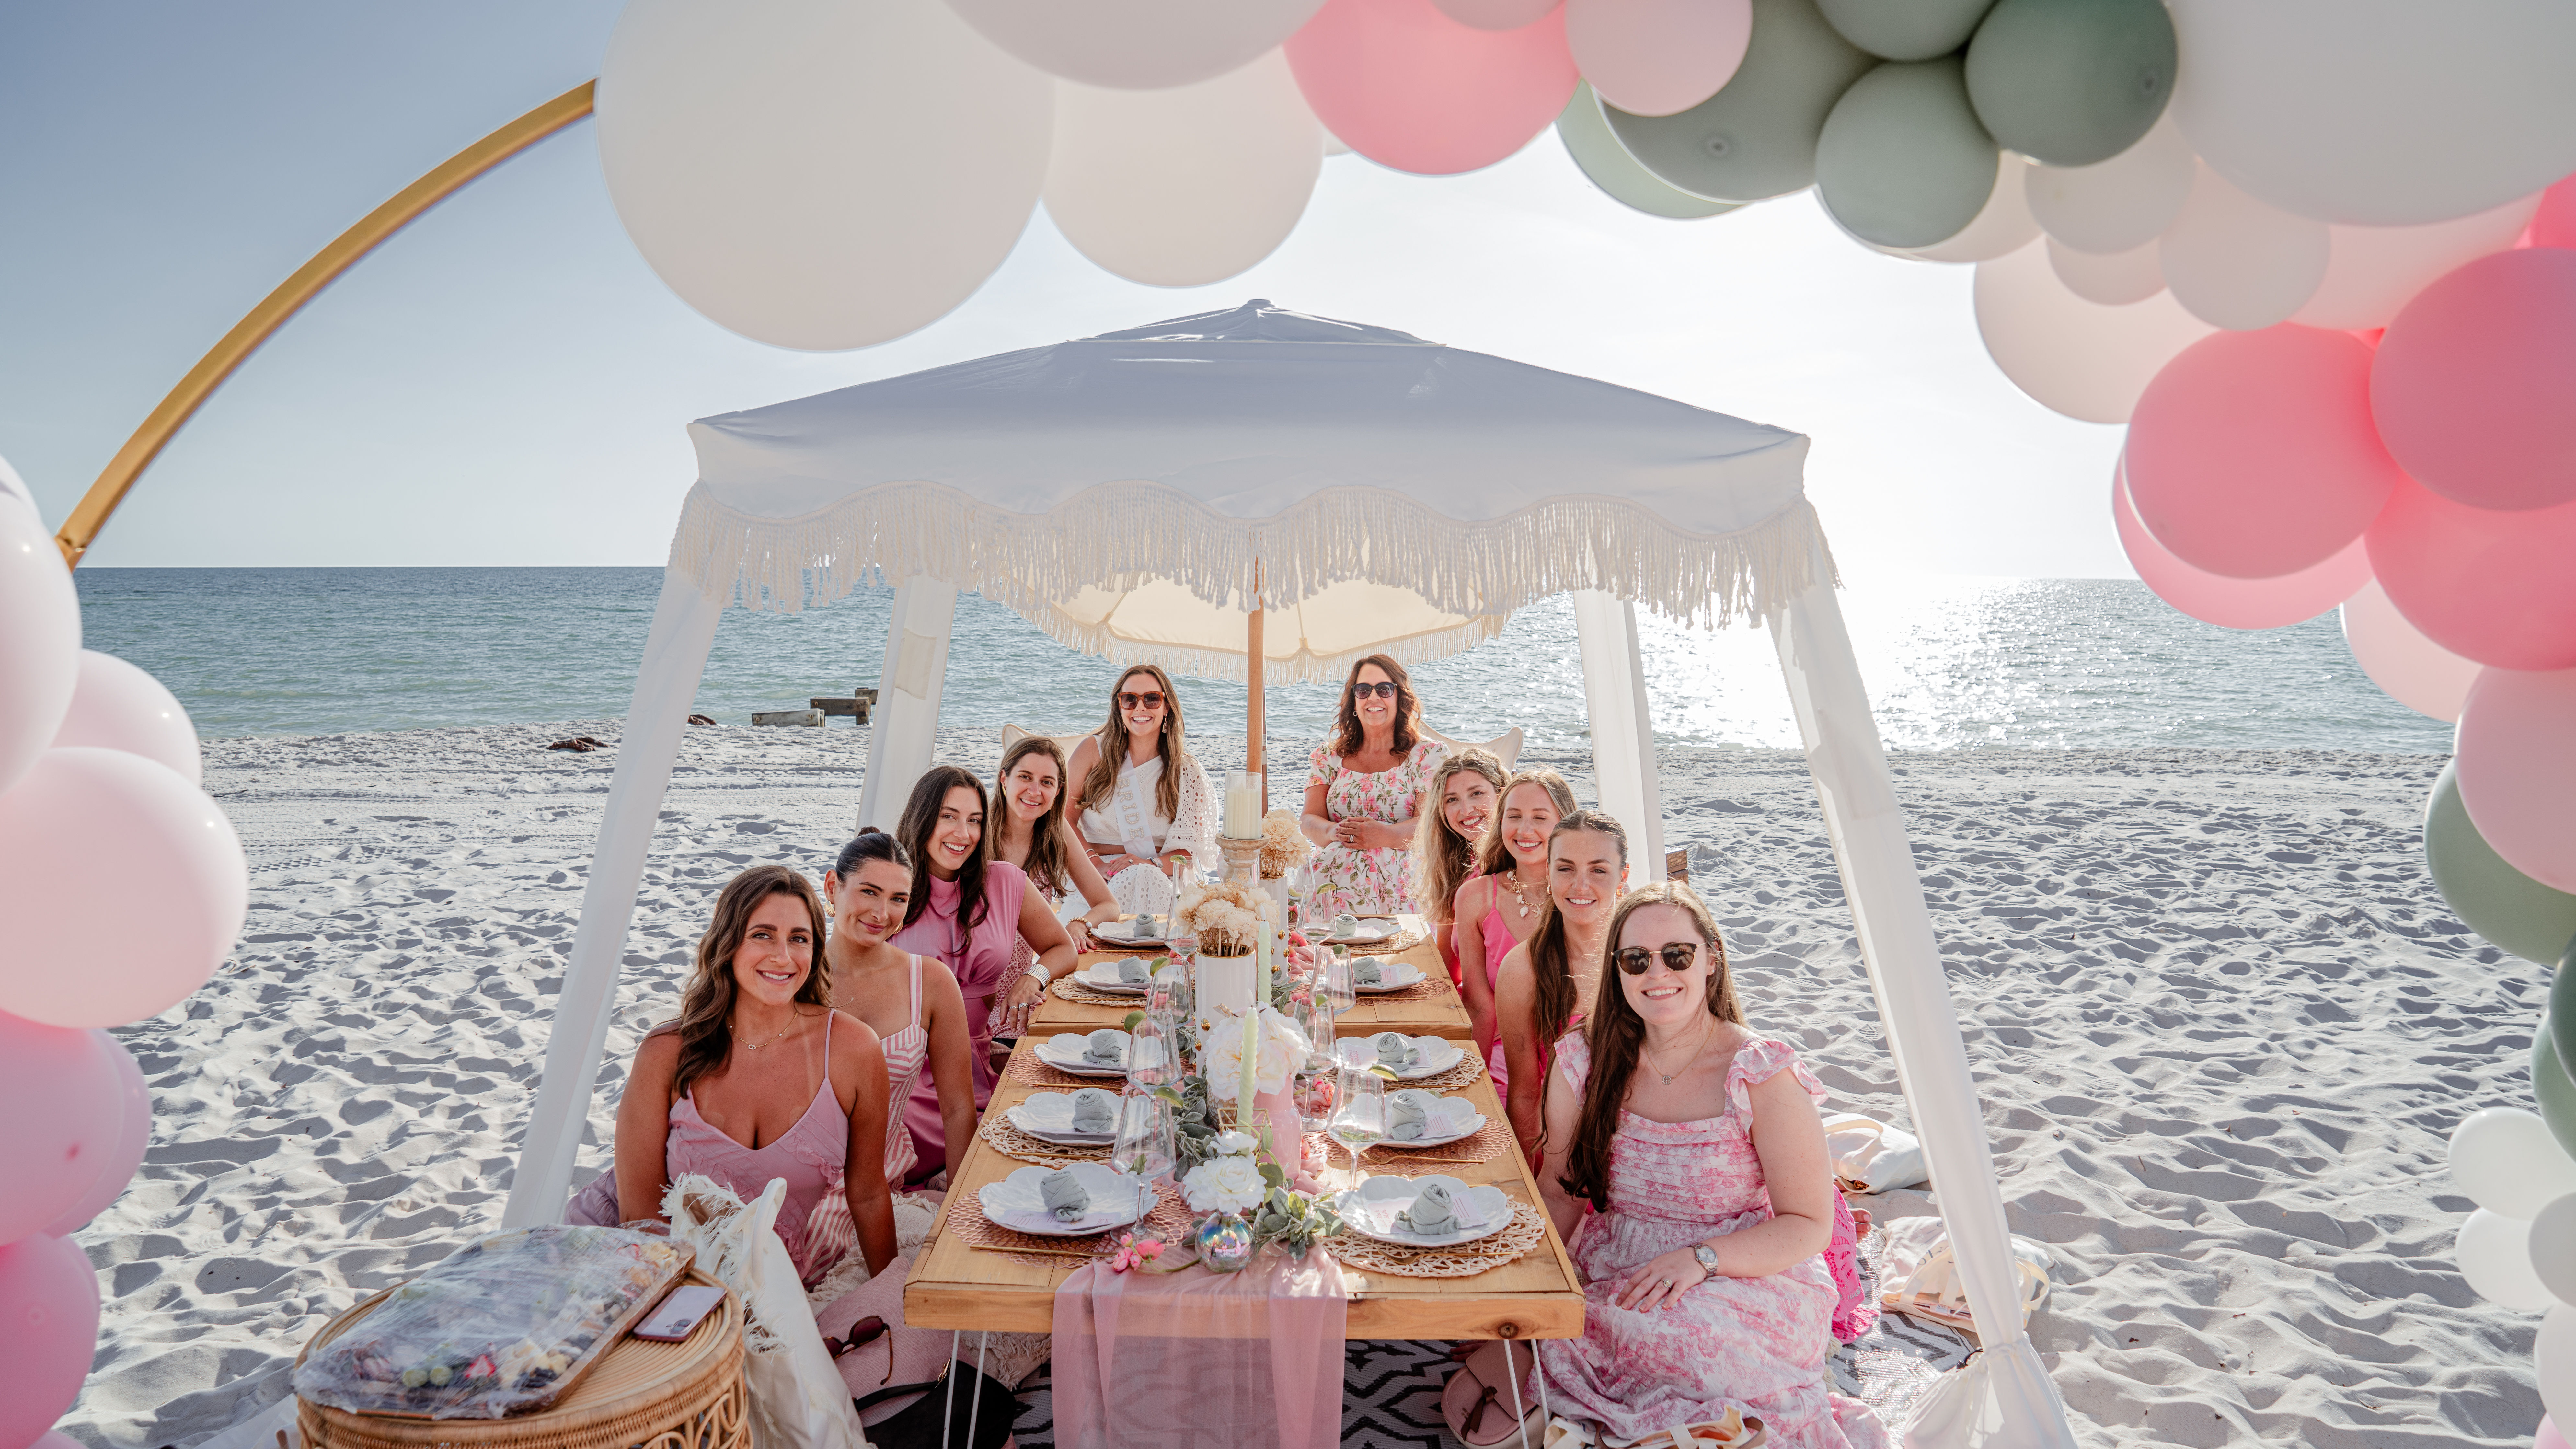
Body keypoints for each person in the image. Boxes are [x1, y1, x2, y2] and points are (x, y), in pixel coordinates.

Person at [1530, 882, 1882, 1448]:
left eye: (1677, 954)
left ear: (1711, 959)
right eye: (1635, 959)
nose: (1656, 972)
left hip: (1738, 1269)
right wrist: (1528, 1294)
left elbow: (1808, 1223)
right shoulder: (1584, 1058)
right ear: (1617, 970)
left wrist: (1701, 1260)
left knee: (1696, 1349)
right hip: (1619, 1261)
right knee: (1547, 1345)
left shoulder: (1760, 1072)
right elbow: (1559, 1190)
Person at [566, 864, 898, 1285]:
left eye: (799, 938)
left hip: (761, 1283)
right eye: (762, 935)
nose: (782, 956)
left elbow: (868, 1194)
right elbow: (640, 1220)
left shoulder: (853, 1050)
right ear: (729, 943)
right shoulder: (666, 1054)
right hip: (627, 1258)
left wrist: (894, 1294)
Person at [887, 765, 1076, 1180]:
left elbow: (1063, 947)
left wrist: (1034, 976)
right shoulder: (891, 889)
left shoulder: (1004, 881)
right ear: (922, 817)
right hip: (908, 1069)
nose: (963, 833)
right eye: (948, 816)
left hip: (977, 1062)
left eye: (974, 820)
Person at [1494, 809, 1627, 1166]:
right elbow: (1523, 1093)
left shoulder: (1641, 963)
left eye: (1598, 870)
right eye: (1565, 868)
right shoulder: (1523, 968)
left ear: (1621, 877)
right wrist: (1531, 1186)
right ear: (1549, 875)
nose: (1580, 885)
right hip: (1560, 1158)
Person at [1453, 768, 1577, 1088]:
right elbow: (1478, 1005)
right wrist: (1472, 1087)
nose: (1524, 830)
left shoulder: (1587, 894)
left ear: (1565, 824)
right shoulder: (1475, 896)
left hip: (1578, 1056)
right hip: (1504, 1055)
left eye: (1539, 817)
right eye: (1514, 816)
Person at [1300, 654, 1447, 917]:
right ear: (1354, 701)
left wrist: (1385, 836)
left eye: (1384, 689)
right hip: (1331, 883)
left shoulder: (1428, 755)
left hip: (1401, 888)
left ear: (1400, 698)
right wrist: (1334, 832)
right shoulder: (1327, 757)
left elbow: (1430, 824)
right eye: (1364, 690)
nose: (1374, 698)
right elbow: (1309, 820)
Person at [1065, 664, 1217, 916]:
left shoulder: (1187, 771)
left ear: (1167, 706)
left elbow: (1190, 851)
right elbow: (1062, 820)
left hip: (1161, 875)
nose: (1140, 708)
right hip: (1095, 874)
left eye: (1152, 699)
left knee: (1148, 889)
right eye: (1130, 700)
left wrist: (1148, 864)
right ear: (1119, 707)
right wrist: (1096, 865)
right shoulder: (1092, 751)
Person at [991, 733, 1121, 951]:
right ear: (1005, 780)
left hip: (1032, 976)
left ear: (1058, 791)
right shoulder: (978, 828)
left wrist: (1080, 925)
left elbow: (1109, 906)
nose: (1035, 791)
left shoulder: (1056, 831)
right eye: (1025, 777)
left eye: (1046, 782)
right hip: (975, 978)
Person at [1412, 747, 1507, 987]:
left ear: (1503, 795)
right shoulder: (1456, 871)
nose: (1466, 811)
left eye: (1476, 794)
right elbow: (1446, 969)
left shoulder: (1525, 869)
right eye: (1452, 800)